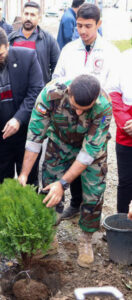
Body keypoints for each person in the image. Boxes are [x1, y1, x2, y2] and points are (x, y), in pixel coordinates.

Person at [18, 75, 112, 268]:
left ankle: (86, 239)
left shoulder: (104, 106)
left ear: (95, 101)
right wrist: (24, 174)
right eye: (75, 106)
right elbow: (35, 137)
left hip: (92, 152)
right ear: (68, 93)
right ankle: (49, 235)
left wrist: (64, 183)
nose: (78, 112)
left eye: (84, 110)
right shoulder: (50, 95)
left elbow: (88, 153)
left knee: (94, 194)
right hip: (60, 144)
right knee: (49, 188)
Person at [53, 3, 120, 221]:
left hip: (95, 120)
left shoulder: (110, 52)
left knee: (91, 165)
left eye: (88, 26)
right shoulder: (69, 50)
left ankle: (89, 218)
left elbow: (111, 89)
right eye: (79, 25)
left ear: (98, 24)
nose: (83, 31)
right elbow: (56, 80)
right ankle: (74, 203)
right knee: (70, 160)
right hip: (69, 121)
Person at [0, 27, 43, 191]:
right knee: (0, 182)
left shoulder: (28, 57)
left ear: (8, 46)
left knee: (29, 180)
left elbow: (35, 92)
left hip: (26, 132)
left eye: (0, 56)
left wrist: (18, 118)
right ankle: (2, 215)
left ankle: (28, 214)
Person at [8, 1, 60, 84]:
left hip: (38, 91)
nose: (28, 18)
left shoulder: (48, 39)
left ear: (39, 18)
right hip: (16, 91)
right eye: (26, 14)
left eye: (32, 15)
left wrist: (48, 86)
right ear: (22, 15)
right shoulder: (11, 39)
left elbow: (57, 67)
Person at [108, 49, 132, 215]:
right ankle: (122, 224)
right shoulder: (124, 58)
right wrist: (124, 122)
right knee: (125, 181)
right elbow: (113, 93)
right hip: (127, 133)